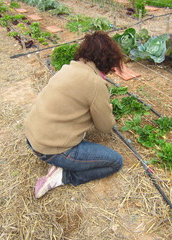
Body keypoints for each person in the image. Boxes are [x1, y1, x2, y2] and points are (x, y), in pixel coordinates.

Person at [24, 31, 124, 199]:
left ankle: (59, 165)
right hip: (51, 149)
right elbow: (105, 127)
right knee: (115, 162)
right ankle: (64, 176)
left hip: (32, 138)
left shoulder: (68, 68)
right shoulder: (95, 83)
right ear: (107, 60)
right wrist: (108, 108)